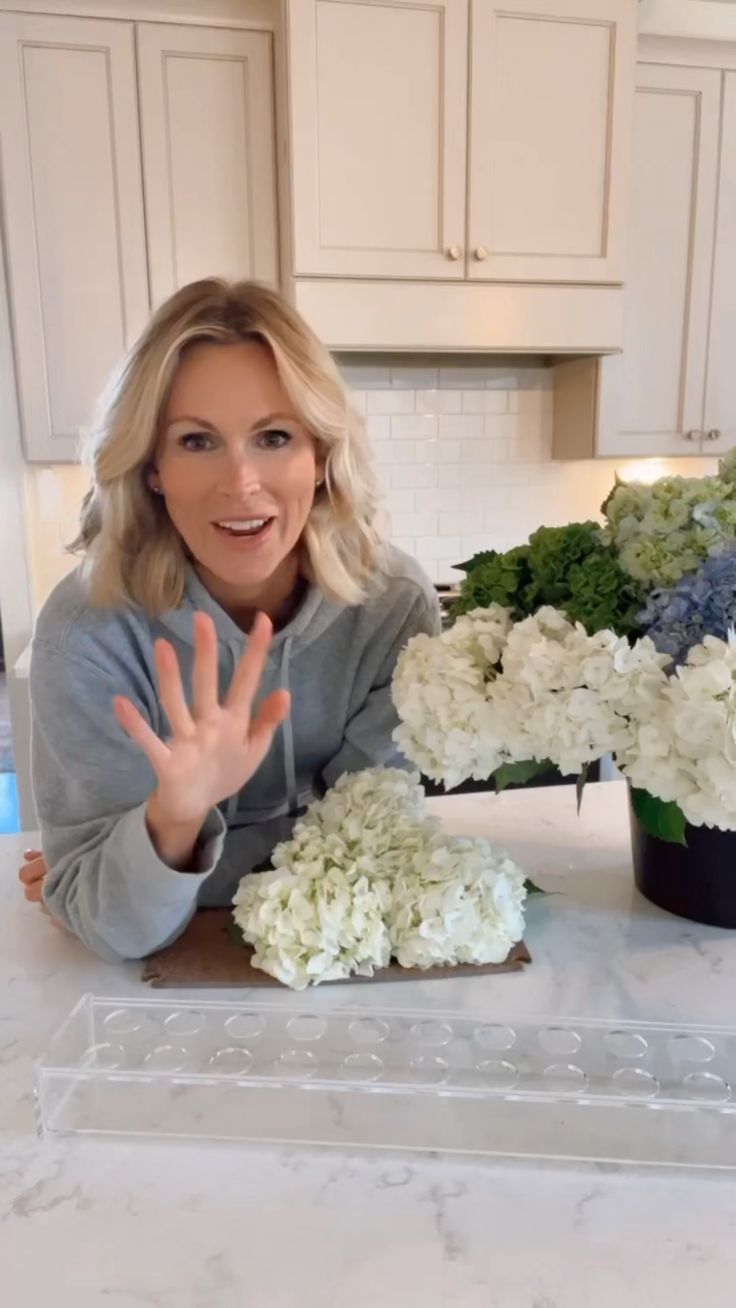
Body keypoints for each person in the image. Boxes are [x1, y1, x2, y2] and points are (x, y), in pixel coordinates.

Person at [18, 279, 440, 962]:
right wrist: (175, 815)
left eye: (274, 436)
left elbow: (377, 847)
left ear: (321, 456)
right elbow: (116, 928)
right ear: (152, 467)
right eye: (197, 441)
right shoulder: (87, 633)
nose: (241, 483)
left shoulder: (393, 606)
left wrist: (159, 861)